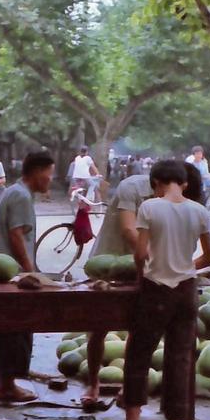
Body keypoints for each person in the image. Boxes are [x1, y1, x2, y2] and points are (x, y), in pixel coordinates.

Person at [97, 160, 210, 420]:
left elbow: (140, 252)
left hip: (155, 290)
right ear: (184, 183)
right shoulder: (199, 211)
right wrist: (186, 267)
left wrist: (148, 269)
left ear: (156, 184)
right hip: (187, 292)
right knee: (179, 360)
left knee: (138, 356)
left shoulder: (150, 208)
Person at [80, 170, 155, 408]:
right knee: (98, 327)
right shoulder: (130, 188)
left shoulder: (169, 199)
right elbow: (128, 230)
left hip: (139, 265)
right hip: (107, 262)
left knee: (138, 327)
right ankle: (93, 383)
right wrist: (156, 259)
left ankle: (128, 387)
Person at [0, 151, 55, 403]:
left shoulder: (16, 192)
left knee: (11, 330)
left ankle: (7, 383)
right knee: (16, 330)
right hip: (14, 275)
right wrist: (30, 272)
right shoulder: (20, 196)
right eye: (49, 173)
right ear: (37, 172)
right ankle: (7, 386)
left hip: (8, 271)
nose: (50, 179)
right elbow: (16, 235)